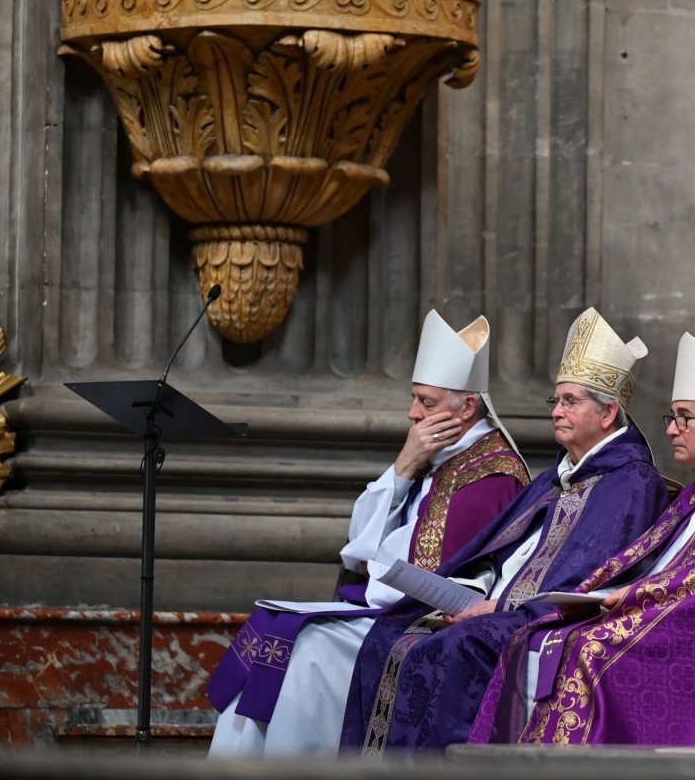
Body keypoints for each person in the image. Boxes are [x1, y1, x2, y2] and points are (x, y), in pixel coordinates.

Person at [339, 307, 668, 755]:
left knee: (453, 648)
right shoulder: (555, 477)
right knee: (389, 634)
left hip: (542, 619)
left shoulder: (630, 482)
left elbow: (593, 574)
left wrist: (497, 605)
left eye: (570, 401)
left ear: (608, 412)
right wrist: (467, 585)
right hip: (494, 604)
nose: (557, 412)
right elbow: (496, 551)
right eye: (555, 401)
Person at [469, 332, 695, 747]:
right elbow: (656, 560)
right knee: (539, 636)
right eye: (672, 417)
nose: (672, 429)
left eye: (683, 417)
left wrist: (633, 596)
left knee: (587, 650)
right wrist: (608, 592)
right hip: (665, 616)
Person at [208, 310, 530, 756]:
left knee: (308, 650)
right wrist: (403, 466)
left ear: (468, 407)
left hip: (422, 625)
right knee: (269, 632)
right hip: (384, 606)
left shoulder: (492, 474)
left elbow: (449, 575)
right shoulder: (430, 451)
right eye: (415, 399)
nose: (412, 412)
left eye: (427, 402)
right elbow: (357, 549)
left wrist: (381, 577)